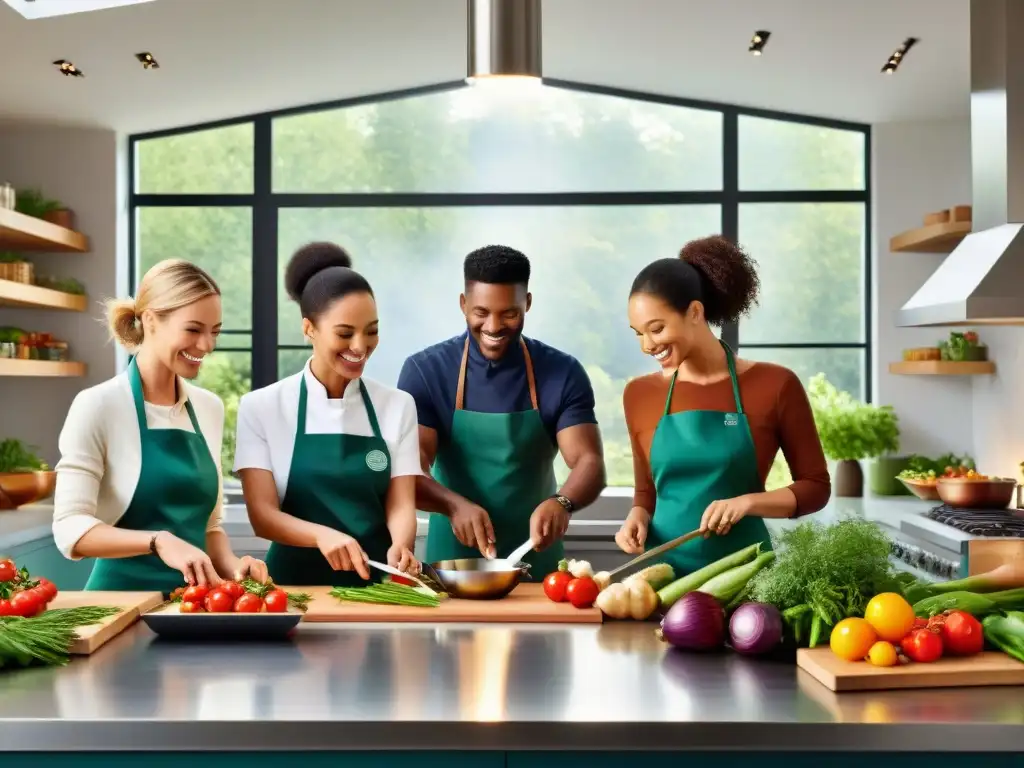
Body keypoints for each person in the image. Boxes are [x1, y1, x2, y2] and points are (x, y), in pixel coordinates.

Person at [617, 236, 831, 574]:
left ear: (695, 313)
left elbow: (816, 488)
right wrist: (637, 514)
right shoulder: (639, 395)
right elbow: (647, 491)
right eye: (638, 333)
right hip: (663, 577)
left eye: (656, 329)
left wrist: (748, 503)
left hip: (747, 575)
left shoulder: (775, 385)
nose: (647, 345)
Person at [53, 259, 268, 594]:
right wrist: (157, 541)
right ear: (150, 320)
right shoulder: (99, 405)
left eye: (215, 331)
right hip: (118, 605)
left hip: (191, 606)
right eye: (194, 330)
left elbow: (210, 527)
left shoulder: (208, 408)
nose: (207, 345)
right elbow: (69, 529)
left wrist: (233, 564)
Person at [397, 245, 606, 578]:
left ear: (528, 304)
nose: (493, 326)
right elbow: (410, 468)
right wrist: (452, 505)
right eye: (481, 312)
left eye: (509, 313)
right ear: (463, 304)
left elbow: (589, 462)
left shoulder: (562, 371)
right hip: (455, 566)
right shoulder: (426, 371)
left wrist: (562, 502)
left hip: (537, 562)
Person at [234, 243, 422, 587]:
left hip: (379, 586)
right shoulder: (262, 407)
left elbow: (400, 503)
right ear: (309, 329)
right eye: (345, 333)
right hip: (292, 589)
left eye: (372, 330)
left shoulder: (397, 405)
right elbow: (263, 516)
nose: (360, 346)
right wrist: (323, 536)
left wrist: (401, 543)